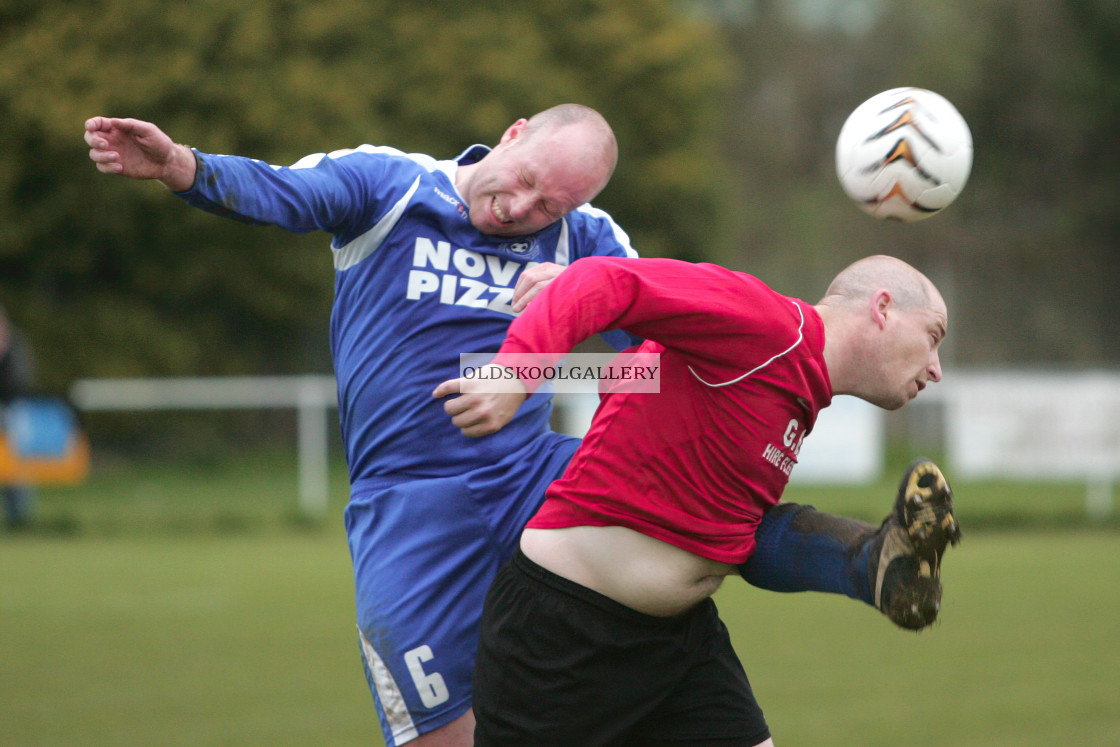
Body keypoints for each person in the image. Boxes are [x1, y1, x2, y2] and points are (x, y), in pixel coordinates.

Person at [86, 107, 952, 747]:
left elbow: (653, 364)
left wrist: (542, 367)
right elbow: (288, 194)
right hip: (411, 504)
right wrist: (184, 169)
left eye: (550, 207)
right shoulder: (393, 184)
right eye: (525, 180)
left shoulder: (587, 238)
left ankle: (866, 561)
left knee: (695, 506)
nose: (522, 208)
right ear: (511, 132)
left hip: (533, 472)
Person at [435, 254, 961, 745]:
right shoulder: (768, 325)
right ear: (883, 308)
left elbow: (636, 378)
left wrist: (620, 338)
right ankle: (868, 560)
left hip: (678, 646)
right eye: (932, 336)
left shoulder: (794, 386)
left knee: (752, 526)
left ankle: (872, 561)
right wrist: (515, 371)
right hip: (560, 641)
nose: (936, 368)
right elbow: (600, 281)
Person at [0, 305, 38, 528]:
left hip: (13, 413)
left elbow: (19, 388)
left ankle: (19, 516)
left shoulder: (15, 350)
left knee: (14, 456)